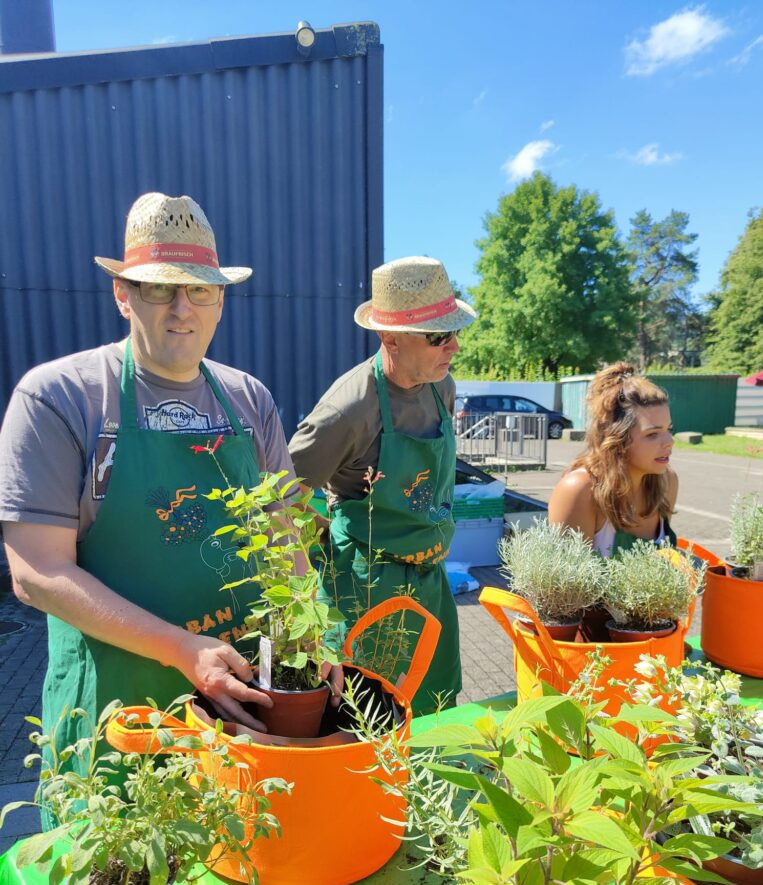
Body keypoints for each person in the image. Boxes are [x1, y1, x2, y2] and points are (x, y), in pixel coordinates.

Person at [0, 192, 294, 764]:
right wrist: (182, 649)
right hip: (117, 719)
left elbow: (284, 532)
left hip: (239, 709)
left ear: (220, 300)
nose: (182, 308)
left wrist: (307, 636)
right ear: (123, 294)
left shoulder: (248, 399)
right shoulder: (60, 397)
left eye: (199, 289)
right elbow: (36, 572)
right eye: (160, 287)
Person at [289, 256, 477, 714]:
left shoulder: (442, 387)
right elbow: (279, 492)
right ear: (389, 336)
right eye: (437, 336)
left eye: (456, 332)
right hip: (367, 589)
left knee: (436, 712)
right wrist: (322, 542)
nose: (452, 346)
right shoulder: (348, 410)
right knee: (370, 720)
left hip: (431, 583)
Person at [548, 362, 678, 556]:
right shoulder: (579, 490)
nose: (669, 441)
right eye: (652, 434)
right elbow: (561, 584)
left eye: (669, 429)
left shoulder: (667, 482)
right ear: (617, 438)